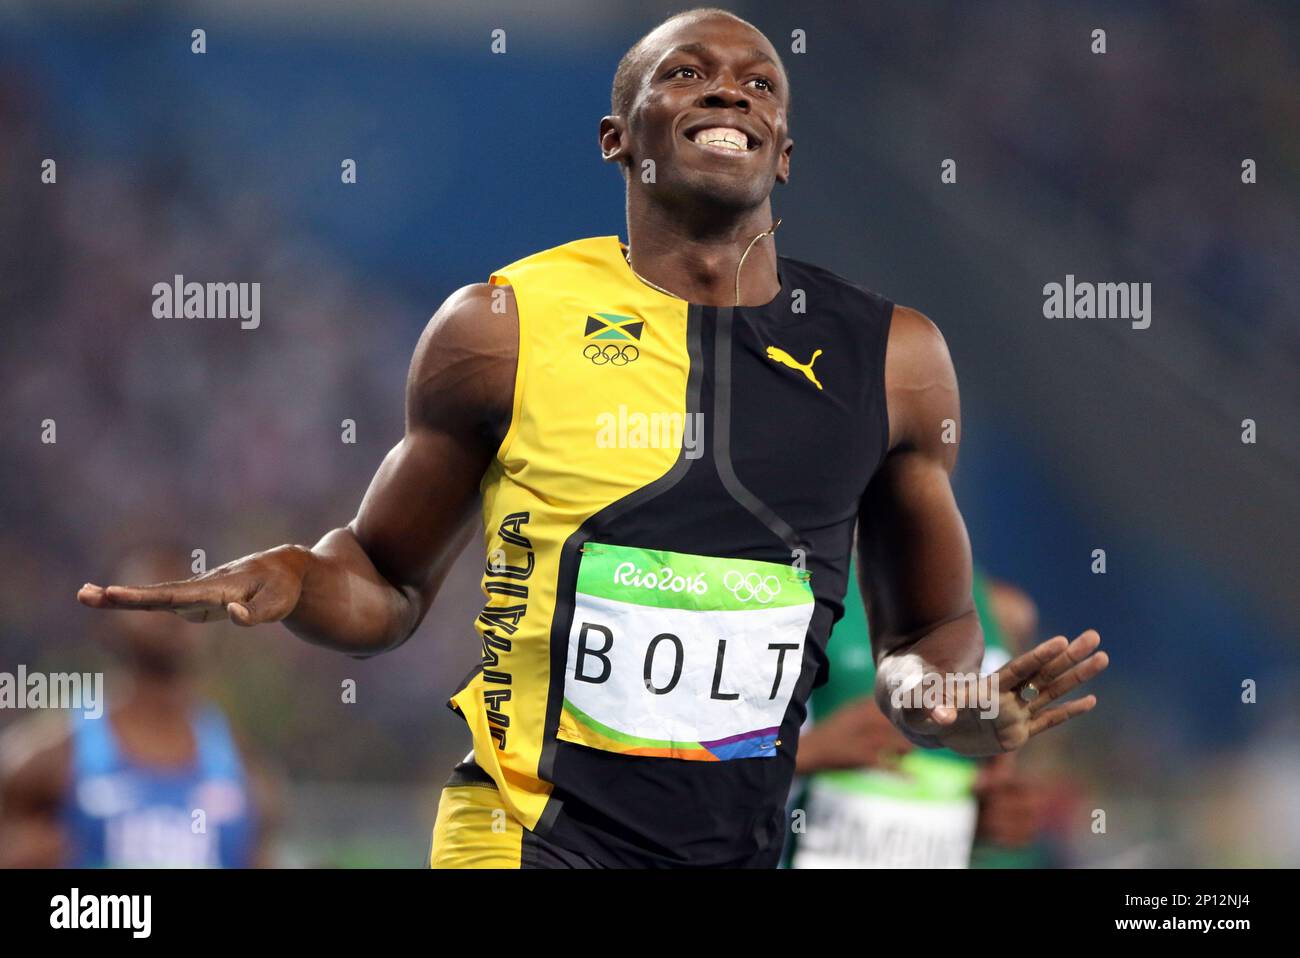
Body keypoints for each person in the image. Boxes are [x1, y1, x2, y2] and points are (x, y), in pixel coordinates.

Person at [77, 8, 1108, 868]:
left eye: (759, 83)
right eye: (685, 74)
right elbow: (384, 579)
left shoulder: (895, 359)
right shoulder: (499, 327)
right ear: (618, 134)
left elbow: (922, 643)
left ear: (783, 154)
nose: (728, 91)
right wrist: (299, 579)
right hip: (524, 834)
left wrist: (959, 708)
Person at [3, 546, 277, 868]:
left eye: (191, 602)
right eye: (152, 602)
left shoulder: (244, 771)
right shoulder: (47, 759)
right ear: (113, 621)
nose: (173, 616)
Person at [788, 560, 1039, 867]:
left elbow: (995, 779)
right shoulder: (792, 578)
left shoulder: (996, 606)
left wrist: (992, 816)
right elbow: (719, 755)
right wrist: (804, 754)